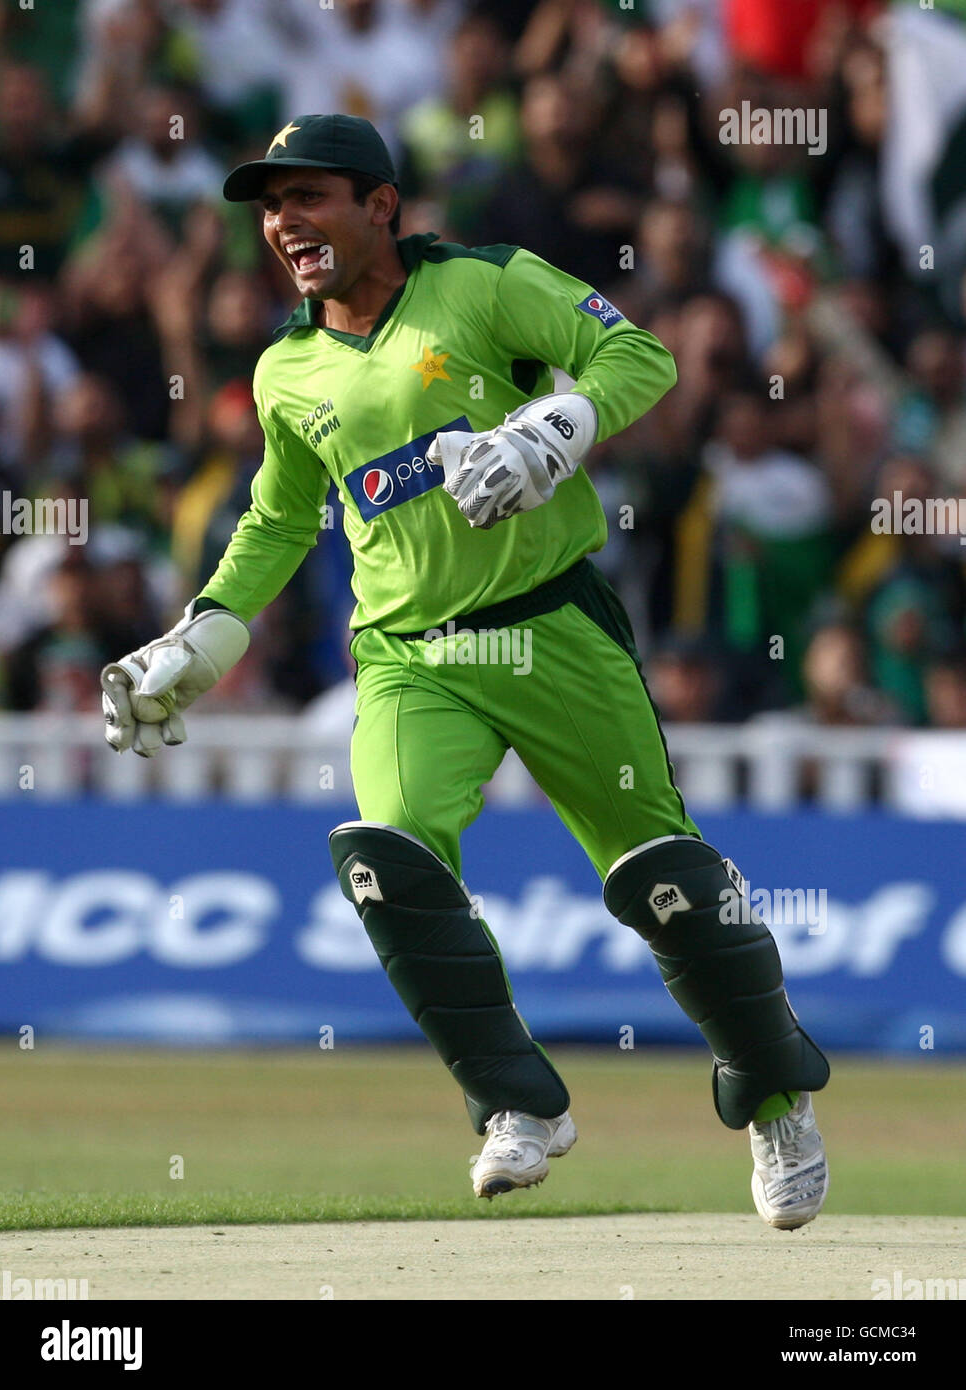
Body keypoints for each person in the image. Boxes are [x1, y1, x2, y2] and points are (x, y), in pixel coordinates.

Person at [100, 114, 829, 1229]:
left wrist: (553, 428)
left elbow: (641, 353)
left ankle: (775, 1094)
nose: (285, 223)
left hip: (550, 626)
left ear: (381, 205)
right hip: (407, 655)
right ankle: (515, 1103)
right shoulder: (287, 366)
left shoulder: (483, 285)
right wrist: (205, 628)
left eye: (311, 198)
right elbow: (284, 514)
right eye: (270, 205)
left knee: (661, 876)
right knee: (387, 857)